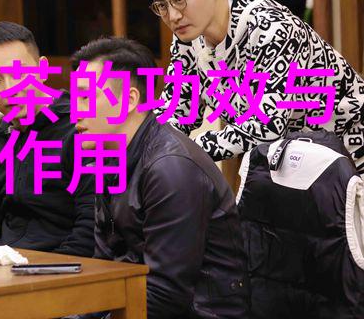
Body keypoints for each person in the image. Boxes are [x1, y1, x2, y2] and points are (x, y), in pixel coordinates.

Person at [140, 0, 364, 173]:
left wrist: (185, 150)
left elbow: (267, 125)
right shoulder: (188, 35)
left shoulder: (272, 29)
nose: (173, 16)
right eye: (161, 5)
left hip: (351, 154)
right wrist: (141, 146)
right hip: (292, 166)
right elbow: (178, 111)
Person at [72, 37, 250, 318]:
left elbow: (166, 295)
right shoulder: (109, 158)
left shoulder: (170, 168)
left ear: (129, 100)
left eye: (86, 97)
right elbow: (105, 265)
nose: (76, 111)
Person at [0, 21, 95, 257]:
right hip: (7, 264)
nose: (10, 89)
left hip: (64, 266)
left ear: (42, 69)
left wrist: (42, 271)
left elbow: (91, 228)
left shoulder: (81, 130)